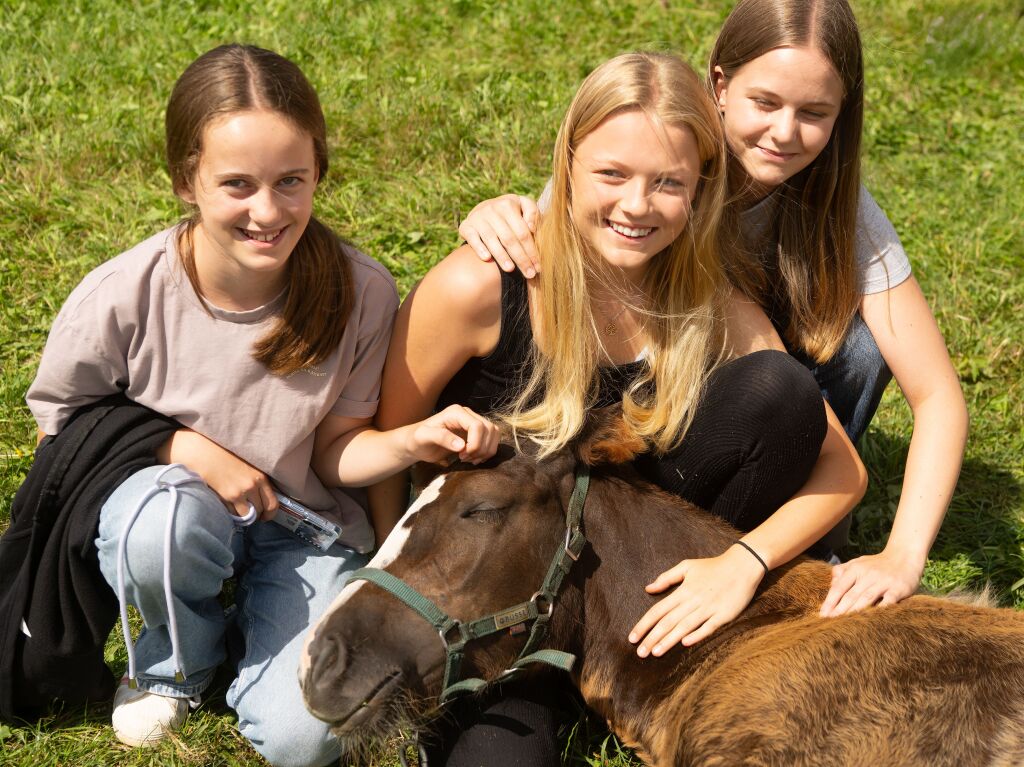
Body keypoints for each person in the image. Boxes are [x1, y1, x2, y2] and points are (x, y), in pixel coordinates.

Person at [371, 50, 864, 766]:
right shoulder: (482, 286)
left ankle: (653, 652)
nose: (637, 206)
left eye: (669, 183)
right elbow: (391, 441)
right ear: (566, 163)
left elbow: (843, 470)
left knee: (779, 392)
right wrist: (410, 589)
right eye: (612, 174)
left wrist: (743, 562)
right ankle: (541, 693)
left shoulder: (710, 305)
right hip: (498, 596)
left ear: (701, 190)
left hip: (625, 586)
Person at [23, 44, 496, 767]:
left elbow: (339, 447)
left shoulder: (360, 290)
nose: (268, 211)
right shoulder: (120, 296)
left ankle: (254, 624)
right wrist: (188, 451)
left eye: (291, 181)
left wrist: (408, 442)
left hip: (303, 532)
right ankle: (174, 662)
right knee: (163, 519)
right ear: (187, 179)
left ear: (319, 174)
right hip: (174, 508)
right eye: (237, 184)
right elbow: (62, 431)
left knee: (306, 740)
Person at [456, 0, 968, 620]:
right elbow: (563, 256)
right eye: (766, 103)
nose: (785, 132)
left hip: (766, 383)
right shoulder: (653, 153)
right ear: (720, 85)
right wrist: (503, 215)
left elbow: (938, 394)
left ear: (842, 113)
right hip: (645, 392)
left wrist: (904, 555)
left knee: (860, 346)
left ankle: (803, 520)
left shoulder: (841, 208)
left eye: (814, 113)